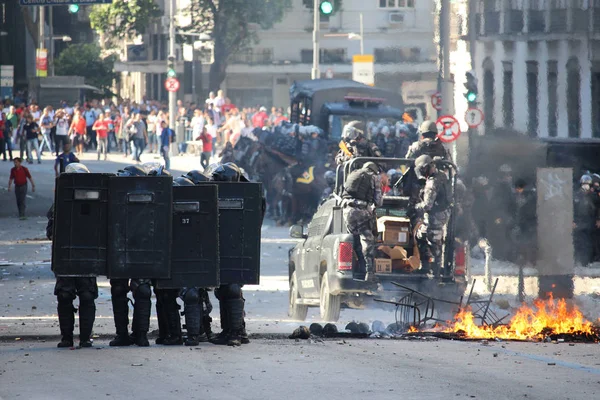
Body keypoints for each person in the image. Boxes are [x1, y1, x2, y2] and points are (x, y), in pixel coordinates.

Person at [206, 162, 264, 346]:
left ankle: (235, 333)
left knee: (231, 287)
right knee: (225, 288)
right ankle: (234, 330)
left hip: (237, 245)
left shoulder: (250, 196)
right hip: (226, 245)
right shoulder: (246, 195)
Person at [47, 162, 98, 348]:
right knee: (68, 296)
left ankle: (80, 337)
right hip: (72, 259)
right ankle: (71, 337)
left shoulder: (93, 202)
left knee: (82, 296)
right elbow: (51, 231)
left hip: (80, 258)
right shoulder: (61, 203)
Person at [109, 164, 153, 347]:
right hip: (128, 251)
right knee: (127, 291)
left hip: (131, 252)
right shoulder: (152, 199)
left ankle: (136, 334)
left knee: (138, 291)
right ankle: (131, 335)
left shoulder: (152, 199)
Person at [341, 161, 383, 282]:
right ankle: (369, 272)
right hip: (361, 211)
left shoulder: (353, 174)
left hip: (347, 211)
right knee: (368, 241)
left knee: (352, 240)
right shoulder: (373, 177)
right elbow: (378, 201)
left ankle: (354, 270)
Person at [413, 155, 451, 276]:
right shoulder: (441, 175)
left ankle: (435, 273)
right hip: (441, 214)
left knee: (433, 243)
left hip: (435, 216)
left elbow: (427, 205)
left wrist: (414, 207)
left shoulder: (432, 182)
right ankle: (426, 267)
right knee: (420, 236)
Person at [573, 174, 597, 266]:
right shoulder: (576, 195)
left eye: (587, 184)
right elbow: (572, 209)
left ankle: (588, 261)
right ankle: (579, 260)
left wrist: (598, 219)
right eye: (584, 183)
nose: (586, 185)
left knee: (590, 242)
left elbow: (597, 208)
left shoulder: (593, 196)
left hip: (590, 221)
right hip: (579, 221)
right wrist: (572, 221)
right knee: (579, 241)